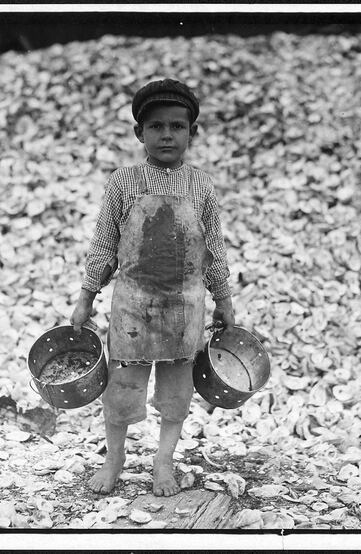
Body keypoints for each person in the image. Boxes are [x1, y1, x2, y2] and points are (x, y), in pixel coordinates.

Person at [70, 78, 235, 496]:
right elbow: (104, 243)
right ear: (138, 133)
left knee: (177, 390)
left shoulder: (201, 186)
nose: (167, 134)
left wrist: (225, 301)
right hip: (133, 306)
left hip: (185, 307)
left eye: (177, 126)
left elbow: (214, 248)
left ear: (192, 133)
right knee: (122, 388)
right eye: (157, 126)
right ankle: (115, 458)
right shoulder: (124, 182)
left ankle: (164, 462)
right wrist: (86, 297)